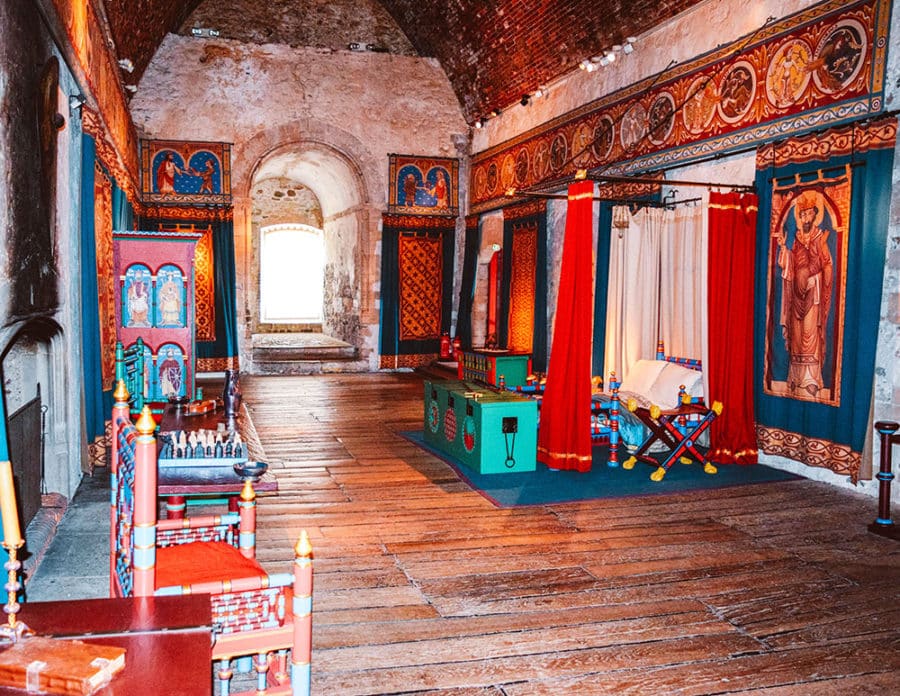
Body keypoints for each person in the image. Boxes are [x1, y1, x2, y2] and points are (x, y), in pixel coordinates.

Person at [774, 189, 834, 398]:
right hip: (796, 296)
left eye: (809, 214)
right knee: (798, 336)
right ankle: (796, 378)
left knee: (810, 335)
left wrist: (815, 278)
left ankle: (811, 380)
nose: (806, 218)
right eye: (802, 214)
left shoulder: (820, 237)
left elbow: (826, 264)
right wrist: (783, 248)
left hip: (812, 293)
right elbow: (792, 260)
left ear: (815, 215)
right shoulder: (798, 239)